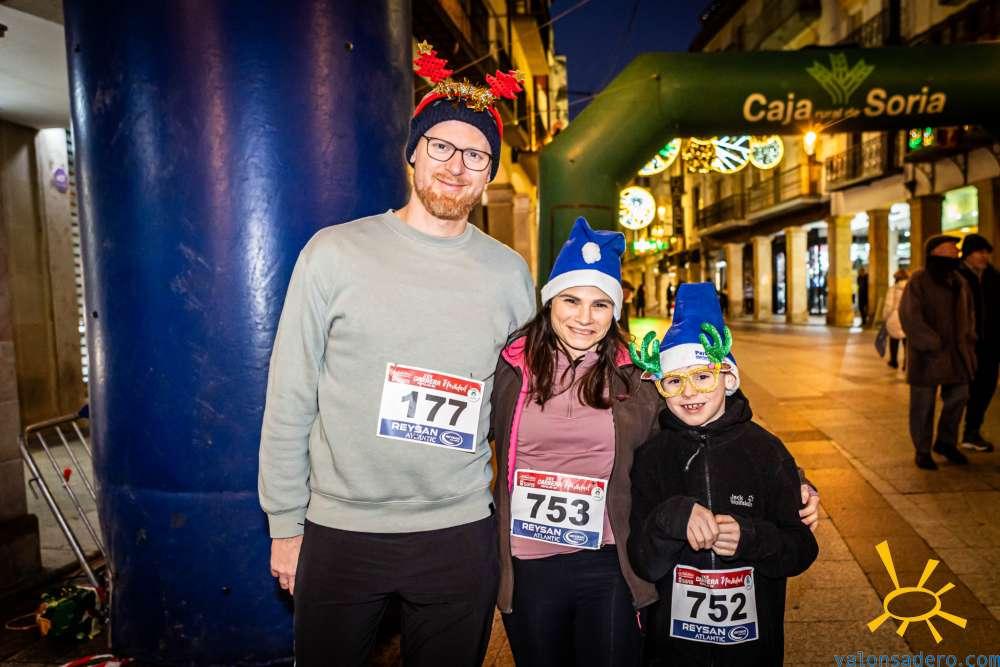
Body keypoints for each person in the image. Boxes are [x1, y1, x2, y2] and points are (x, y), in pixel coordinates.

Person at [258, 43, 536, 666]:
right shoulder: (333, 253)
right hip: (341, 530)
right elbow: (290, 394)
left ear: (490, 172)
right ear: (413, 152)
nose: (456, 166)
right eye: (441, 146)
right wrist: (285, 524)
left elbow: (531, 402)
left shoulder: (509, 274)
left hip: (459, 532)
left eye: (476, 155)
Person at [491, 228, 820, 667]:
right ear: (550, 301)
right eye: (571, 300)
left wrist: (793, 481)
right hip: (527, 560)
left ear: (615, 310)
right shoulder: (510, 367)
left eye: (600, 304)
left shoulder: (635, 375)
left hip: (610, 559)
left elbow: (705, 423)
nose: (584, 317)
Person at [628, 283, 819, 666]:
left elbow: (800, 548)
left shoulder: (766, 452)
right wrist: (671, 519)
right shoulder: (652, 458)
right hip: (673, 650)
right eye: (674, 381)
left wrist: (752, 538)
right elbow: (643, 561)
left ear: (728, 378)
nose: (689, 392)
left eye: (702, 376)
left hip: (752, 648)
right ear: (661, 389)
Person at [899, 235, 977, 471]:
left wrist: (969, 340)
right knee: (923, 405)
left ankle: (946, 442)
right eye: (950, 249)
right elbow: (910, 316)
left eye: (956, 249)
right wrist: (931, 342)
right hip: (928, 355)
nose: (955, 252)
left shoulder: (959, 281)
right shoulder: (919, 281)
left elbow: (969, 314)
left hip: (957, 353)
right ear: (935, 253)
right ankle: (922, 450)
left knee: (960, 396)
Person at [958, 233, 999, 453]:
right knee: (960, 391)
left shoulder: (993, 276)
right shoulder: (957, 275)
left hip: (990, 343)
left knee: (986, 387)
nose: (984, 257)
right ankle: (948, 436)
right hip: (965, 343)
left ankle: (971, 432)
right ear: (967, 254)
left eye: (986, 253)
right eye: (979, 252)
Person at [882, 268, 909, 369]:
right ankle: (907, 362)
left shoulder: (893, 289)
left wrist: (885, 317)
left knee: (894, 340)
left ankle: (894, 361)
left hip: (895, 317)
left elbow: (888, 306)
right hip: (907, 316)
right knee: (906, 341)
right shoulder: (911, 289)